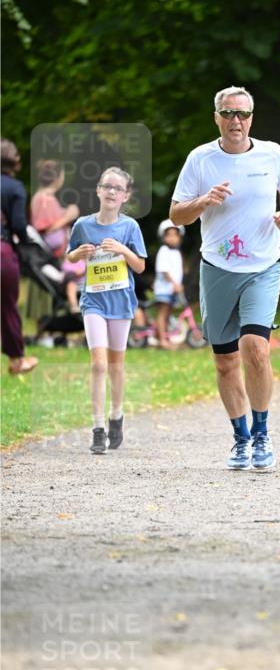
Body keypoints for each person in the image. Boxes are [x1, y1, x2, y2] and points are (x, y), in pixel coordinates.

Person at [170, 85, 280, 471]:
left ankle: (261, 433)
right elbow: (176, 214)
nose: (235, 120)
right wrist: (203, 201)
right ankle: (240, 438)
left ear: (251, 118)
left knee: (255, 348)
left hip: (263, 266)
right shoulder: (200, 159)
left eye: (242, 114)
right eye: (228, 113)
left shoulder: (271, 153)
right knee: (226, 360)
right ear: (216, 118)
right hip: (217, 269)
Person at [66, 167, 147, 454]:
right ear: (98, 190)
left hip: (121, 302)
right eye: (107, 186)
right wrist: (78, 254)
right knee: (98, 364)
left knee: (115, 365)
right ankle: (98, 428)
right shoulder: (83, 225)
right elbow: (70, 256)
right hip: (94, 301)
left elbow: (140, 266)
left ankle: (116, 415)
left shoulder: (130, 227)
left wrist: (123, 250)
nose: (112, 191)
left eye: (118, 188)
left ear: (125, 196)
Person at [1, 139, 39, 375]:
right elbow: (18, 225)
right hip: (2, 251)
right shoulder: (14, 187)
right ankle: (17, 361)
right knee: (7, 306)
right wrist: (25, 245)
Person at [30, 159, 81, 315]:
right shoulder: (45, 199)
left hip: (50, 259)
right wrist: (68, 217)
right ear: (58, 177)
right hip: (50, 258)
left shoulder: (42, 198)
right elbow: (45, 230)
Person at [154, 219, 185, 349]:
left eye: (175, 235)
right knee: (163, 313)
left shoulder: (176, 252)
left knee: (168, 314)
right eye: (169, 235)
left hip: (172, 289)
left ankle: (164, 337)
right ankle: (162, 340)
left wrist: (178, 284)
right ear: (164, 237)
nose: (172, 238)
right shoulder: (164, 250)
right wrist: (175, 284)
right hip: (164, 288)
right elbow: (164, 270)